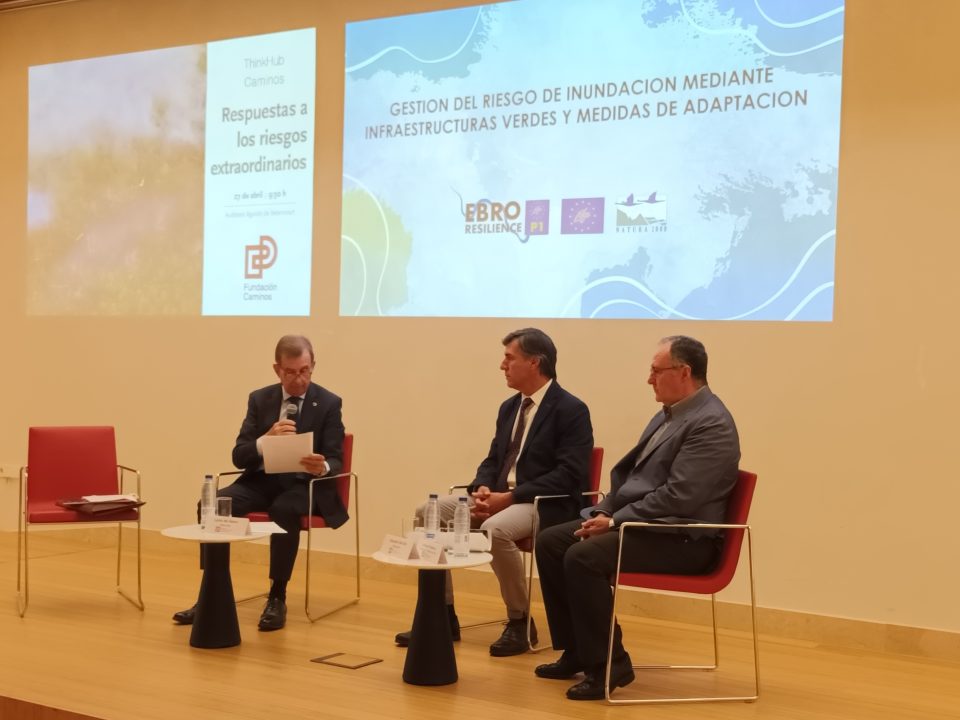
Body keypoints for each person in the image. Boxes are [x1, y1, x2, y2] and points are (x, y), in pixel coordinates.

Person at [533, 335, 740, 700]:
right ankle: (578, 649)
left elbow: (681, 496)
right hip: (647, 525)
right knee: (551, 541)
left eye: (656, 371)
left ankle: (609, 665)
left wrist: (614, 522)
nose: (649, 379)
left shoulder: (712, 424)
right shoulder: (669, 414)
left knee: (583, 556)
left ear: (684, 372)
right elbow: (631, 480)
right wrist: (604, 510)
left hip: (685, 539)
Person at [395, 328, 593, 656]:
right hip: (501, 498)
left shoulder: (571, 409)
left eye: (509, 358)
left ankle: (520, 620)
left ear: (534, 362)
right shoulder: (509, 407)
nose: (502, 365)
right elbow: (493, 459)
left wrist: (510, 498)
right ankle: (440, 615)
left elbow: (569, 475)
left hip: (544, 503)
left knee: (495, 529)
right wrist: (482, 489)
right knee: (426, 512)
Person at [173, 334, 346, 631]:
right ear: (277, 369)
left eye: (304, 371)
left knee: (284, 509)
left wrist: (324, 466)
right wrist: (265, 440)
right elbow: (239, 456)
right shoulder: (260, 399)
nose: (299, 379)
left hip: (304, 485)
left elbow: (336, 458)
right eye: (290, 372)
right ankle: (212, 590)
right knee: (211, 505)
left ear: (313, 366)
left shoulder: (329, 402)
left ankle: (277, 596)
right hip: (260, 482)